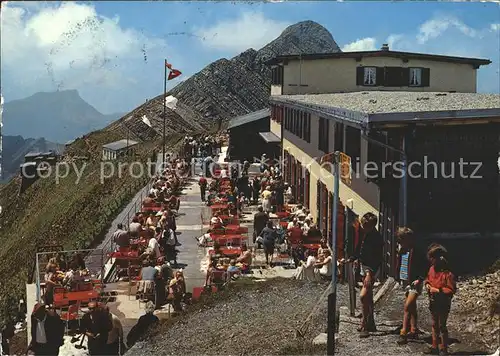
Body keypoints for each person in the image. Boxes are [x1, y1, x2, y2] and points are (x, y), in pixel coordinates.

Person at [350, 212, 384, 338]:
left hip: (371, 269)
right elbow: (359, 249)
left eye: (365, 224)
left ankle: (364, 322)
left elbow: (377, 258)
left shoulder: (377, 238)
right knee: (368, 297)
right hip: (363, 267)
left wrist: (370, 273)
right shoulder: (365, 234)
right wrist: (354, 258)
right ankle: (370, 322)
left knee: (363, 296)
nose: (363, 226)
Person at [395, 227, 427, 345]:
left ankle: (403, 332)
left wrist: (420, 279)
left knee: (407, 306)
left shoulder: (417, 251)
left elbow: (425, 266)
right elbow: (399, 264)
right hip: (406, 281)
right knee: (412, 306)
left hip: (415, 282)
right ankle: (414, 329)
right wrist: (398, 276)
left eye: (402, 239)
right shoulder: (402, 250)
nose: (400, 242)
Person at [423, 244, 456, 356]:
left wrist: (437, 290)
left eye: (432, 258)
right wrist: (427, 284)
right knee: (434, 324)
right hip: (433, 301)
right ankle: (434, 346)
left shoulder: (447, 273)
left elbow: (451, 290)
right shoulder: (432, 269)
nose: (430, 260)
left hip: (443, 302)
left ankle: (444, 349)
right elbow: (428, 278)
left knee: (442, 325)